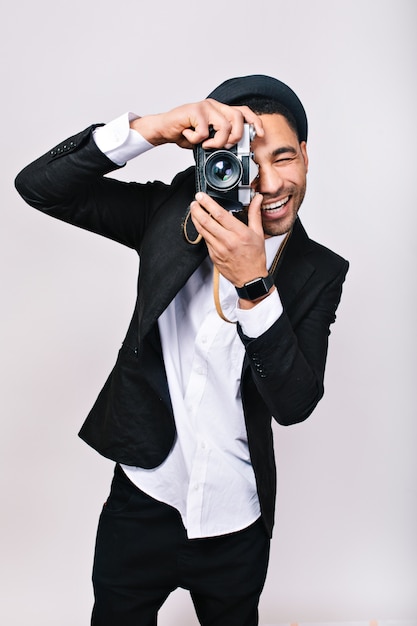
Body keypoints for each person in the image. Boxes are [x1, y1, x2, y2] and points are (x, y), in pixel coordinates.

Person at [15, 74, 349, 626]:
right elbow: (40, 187)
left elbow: (295, 404)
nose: (267, 183)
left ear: (306, 157)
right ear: (209, 164)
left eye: (283, 158)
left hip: (234, 519)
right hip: (143, 495)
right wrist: (155, 128)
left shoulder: (319, 272)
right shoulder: (173, 216)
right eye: (247, 160)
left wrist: (254, 285)